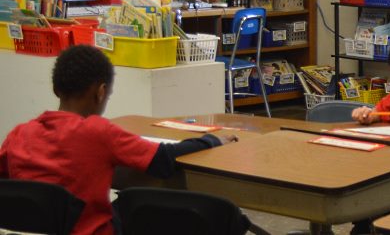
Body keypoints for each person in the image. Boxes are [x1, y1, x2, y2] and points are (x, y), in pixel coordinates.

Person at [0, 45, 236, 235]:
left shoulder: (18, 135)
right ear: (100, 92)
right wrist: (212, 140)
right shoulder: (96, 132)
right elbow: (163, 160)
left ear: (55, 89)